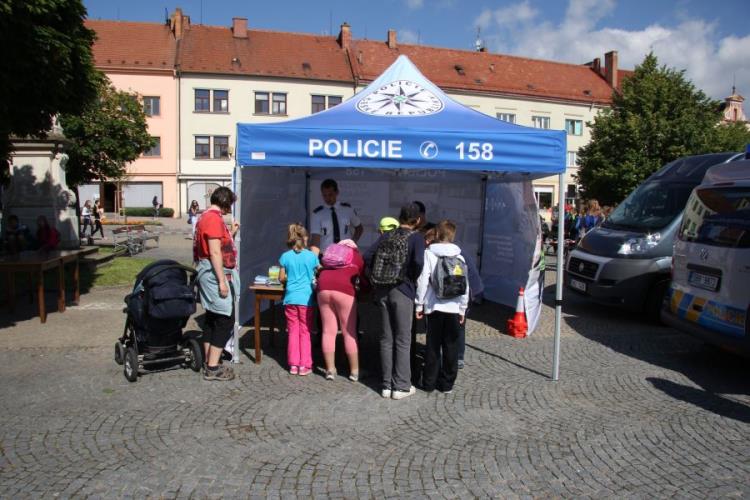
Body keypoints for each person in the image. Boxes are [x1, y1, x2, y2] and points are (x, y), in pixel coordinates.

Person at [364, 202, 425, 400]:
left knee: (386, 337)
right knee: (403, 338)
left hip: (382, 290)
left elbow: (367, 255)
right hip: (403, 289)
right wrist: (410, 278)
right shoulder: (416, 238)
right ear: (417, 220)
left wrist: (375, 277)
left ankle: (386, 385)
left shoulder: (387, 235)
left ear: (400, 218)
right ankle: (401, 386)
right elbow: (418, 262)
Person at [415, 220, 469, 394]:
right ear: (453, 236)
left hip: (434, 307)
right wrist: (463, 309)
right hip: (454, 308)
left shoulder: (429, 254)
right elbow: (465, 286)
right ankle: (447, 384)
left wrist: (419, 305)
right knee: (451, 346)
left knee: (433, 346)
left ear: (437, 234)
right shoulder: (460, 257)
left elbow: (423, 281)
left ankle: (429, 383)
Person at [193, 186, 240, 382]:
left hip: (209, 271)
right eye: (230, 204)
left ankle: (210, 360)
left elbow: (217, 246)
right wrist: (222, 281)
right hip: (213, 274)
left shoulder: (206, 216)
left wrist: (231, 233)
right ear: (225, 203)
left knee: (212, 317)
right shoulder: (212, 219)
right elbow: (214, 252)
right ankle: (212, 367)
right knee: (224, 318)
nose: (230, 208)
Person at [317, 239, 368, 381]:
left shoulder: (332, 252)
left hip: (323, 285)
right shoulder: (356, 255)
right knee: (349, 332)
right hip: (344, 289)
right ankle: (355, 372)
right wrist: (366, 290)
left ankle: (330, 370)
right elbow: (363, 278)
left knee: (328, 331)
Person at [279, 223, 319, 376]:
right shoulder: (311, 256)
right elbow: (319, 270)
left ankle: (293, 364)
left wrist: (290, 278)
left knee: (293, 332)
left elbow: (281, 278)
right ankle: (305, 365)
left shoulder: (285, 256)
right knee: (305, 331)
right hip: (306, 298)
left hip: (290, 298)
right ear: (305, 238)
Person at [310, 179, 363, 254]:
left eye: (330, 195)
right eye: (325, 195)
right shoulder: (317, 214)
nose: (327, 198)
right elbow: (315, 238)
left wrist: (352, 242)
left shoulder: (347, 210)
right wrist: (314, 258)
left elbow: (359, 228)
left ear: (337, 192)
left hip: (345, 254)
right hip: (326, 255)